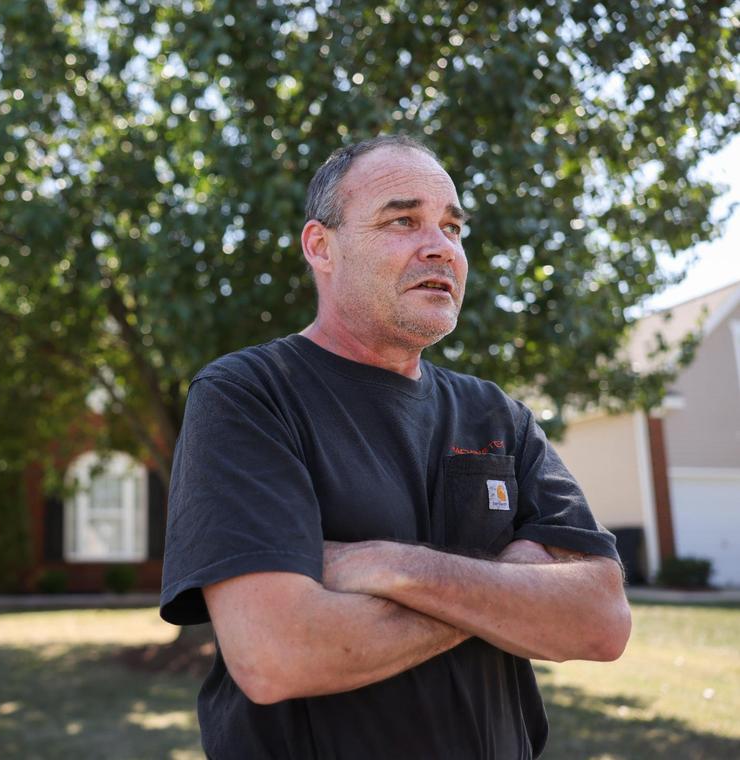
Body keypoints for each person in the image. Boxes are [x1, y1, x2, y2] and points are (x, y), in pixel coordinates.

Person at [158, 135, 631, 759]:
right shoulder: (248, 396)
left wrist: (386, 566)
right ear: (321, 247)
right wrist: (512, 581)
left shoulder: (499, 416)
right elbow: (278, 654)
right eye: (402, 220)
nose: (440, 247)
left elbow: (601, 620)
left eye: (453, 227)